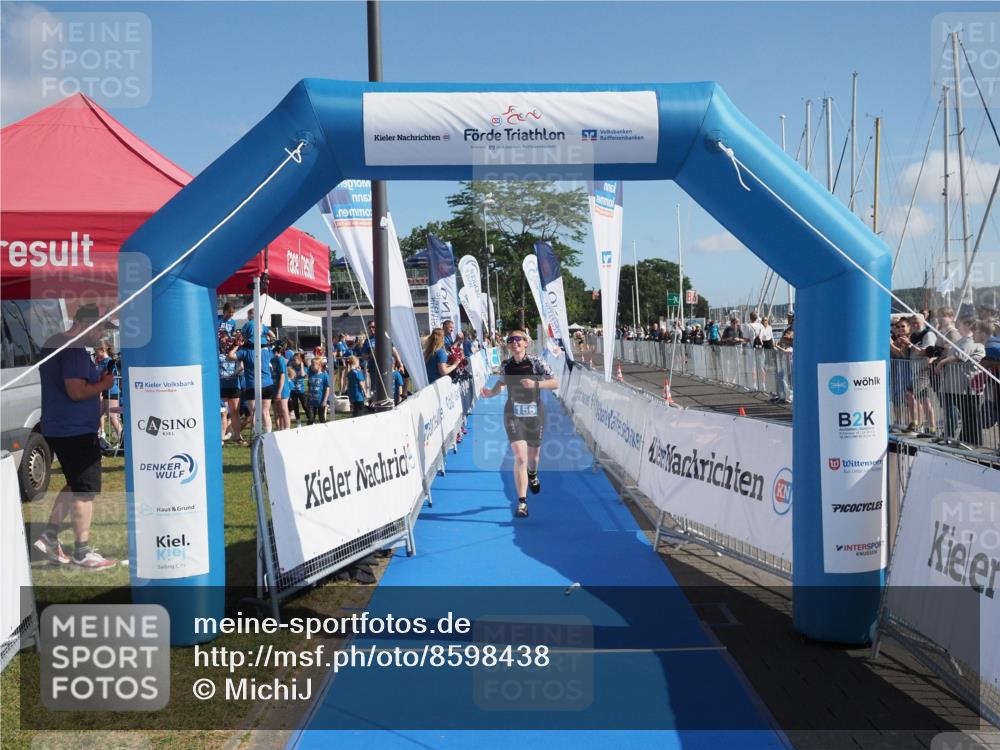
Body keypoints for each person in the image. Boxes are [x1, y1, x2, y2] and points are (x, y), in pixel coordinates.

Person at [33, 304, 118, 569]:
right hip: (75, 430)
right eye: (102, 327)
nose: (103, 335)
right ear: (89, 323)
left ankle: (48, 537)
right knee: (85, 490)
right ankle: (82, 553)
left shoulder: (54, 343)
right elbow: (76, 391)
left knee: (74, 484)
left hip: (60, 427)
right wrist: (103, 385)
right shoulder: (73, 350)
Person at [479, 330, 559, 519]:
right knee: (520, 458)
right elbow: (501, 383)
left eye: (518, 340)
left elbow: (555, 382)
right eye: (510, 340)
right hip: (513, 414)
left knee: (534, 456)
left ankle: (533, 474)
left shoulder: (535, 362)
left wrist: (536, 385)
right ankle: (522, 502)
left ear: (525, 343)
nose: (514, 343)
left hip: (534, 413)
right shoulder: (506, 365)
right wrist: (491, 392)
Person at [227, 337, 275, 433]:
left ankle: (257, 437)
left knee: (254, 413)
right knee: (265, 413)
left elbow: (229, 356)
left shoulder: (245, 352)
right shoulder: (266, 351)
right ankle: (268, 436)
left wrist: (236, 346)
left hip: (252, 385)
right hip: (267, 384)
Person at [93, 341, 122, 449]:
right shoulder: (100, 362)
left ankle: (122, 439)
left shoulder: (109, 362)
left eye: (96, 351)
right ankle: (98, 439)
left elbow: (106, 376)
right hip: (104, 391)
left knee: (112, 417)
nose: (95, 353)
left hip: (111, 391)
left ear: (103, 350)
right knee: (98, 414)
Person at [287, 353, 309, 424]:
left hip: (302, 391)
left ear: (300, 360)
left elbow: (303, 374)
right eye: (293, 360)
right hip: (293, 391)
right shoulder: (292, 367)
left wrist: (302, 365)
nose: (293, 361)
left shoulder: (304, 368)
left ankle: (310, 419)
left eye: (295, 360)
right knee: (295, 407)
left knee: (305, 406)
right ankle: (298, 422)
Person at [307, 357, 330, 424]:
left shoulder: (324, 376)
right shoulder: (311, 375)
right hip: (311, 401)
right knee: (311, 419)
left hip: (320, 401)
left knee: (321, 418)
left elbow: (327, 388)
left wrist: (325, 400)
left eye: (313, 364)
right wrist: (308, 397)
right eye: (311, 364)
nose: (311, 366)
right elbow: (309, 386)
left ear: (319, 365)